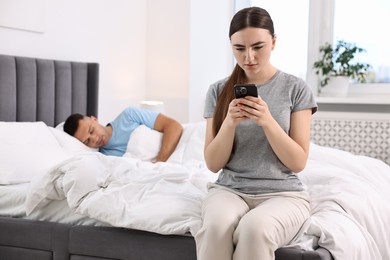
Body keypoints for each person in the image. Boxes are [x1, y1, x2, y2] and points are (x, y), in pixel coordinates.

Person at [195, 6, 317, 260]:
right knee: (216, 227)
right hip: (230, 190)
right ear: (231, 46)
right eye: (239, 48)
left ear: (273, 41)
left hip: (283, 194)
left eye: (258, 46)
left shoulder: (296, 88)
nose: (248, 57)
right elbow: (212, 163)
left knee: (254, 229)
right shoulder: (218, 91)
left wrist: (267, 121)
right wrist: (229, 123)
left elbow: (298, 161)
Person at [63, 107, 183, 162]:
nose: (94, 139)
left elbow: (174, 126)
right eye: (87, 141)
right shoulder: (105, 159)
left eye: (91, 130)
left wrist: (160, 164)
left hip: (180, 147)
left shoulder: (128, 116)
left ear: (94, 119)